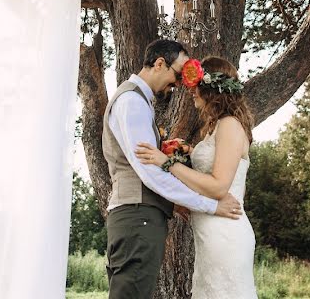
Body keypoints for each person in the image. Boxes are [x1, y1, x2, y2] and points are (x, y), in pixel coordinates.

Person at [102, 39, 243, 299]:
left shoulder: (137, 100)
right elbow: (150, 173)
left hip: (139, 215)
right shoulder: (132, 102)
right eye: (178, 75)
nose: (180, 85)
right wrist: (210, 205)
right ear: (159, 64)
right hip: (138, 216)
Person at [136, 56, 257, 299]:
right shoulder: (218, 127)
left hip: (225, 232)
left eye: (195, 86)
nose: (190, 91)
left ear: (212, 88)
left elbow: (219, 186)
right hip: (210, 232)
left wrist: (167, 163)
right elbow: (212, 168)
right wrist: (188, 153)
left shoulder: (230, 125)